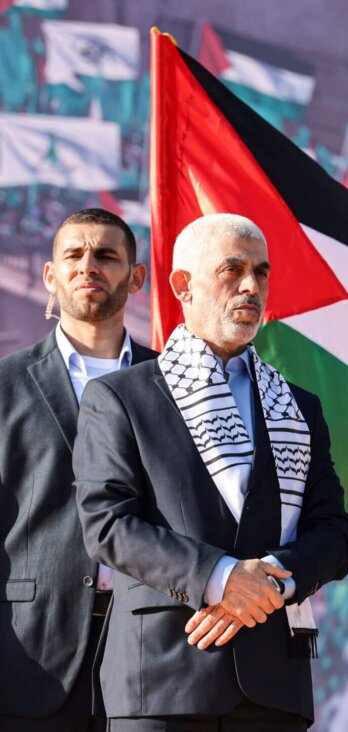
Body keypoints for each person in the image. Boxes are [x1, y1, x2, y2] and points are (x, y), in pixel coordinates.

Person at [73, 213, 348, 730]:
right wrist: (220, 577)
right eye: (233, 269)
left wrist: (265, 584)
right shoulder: (121, 396)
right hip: (161, 680)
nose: (251, 286)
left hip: (274, 685)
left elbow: (336, 534)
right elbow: (107, 524)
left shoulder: (297, 407)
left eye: (262, 272)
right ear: (182, 284)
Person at [0, 208, 152, 731]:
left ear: (137, 277)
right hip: (28, 656)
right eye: (74, 254)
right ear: (50, 275)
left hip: (153, 656)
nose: (89, 265)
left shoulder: (177, 385)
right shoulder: (5, 385)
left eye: (107, 255)